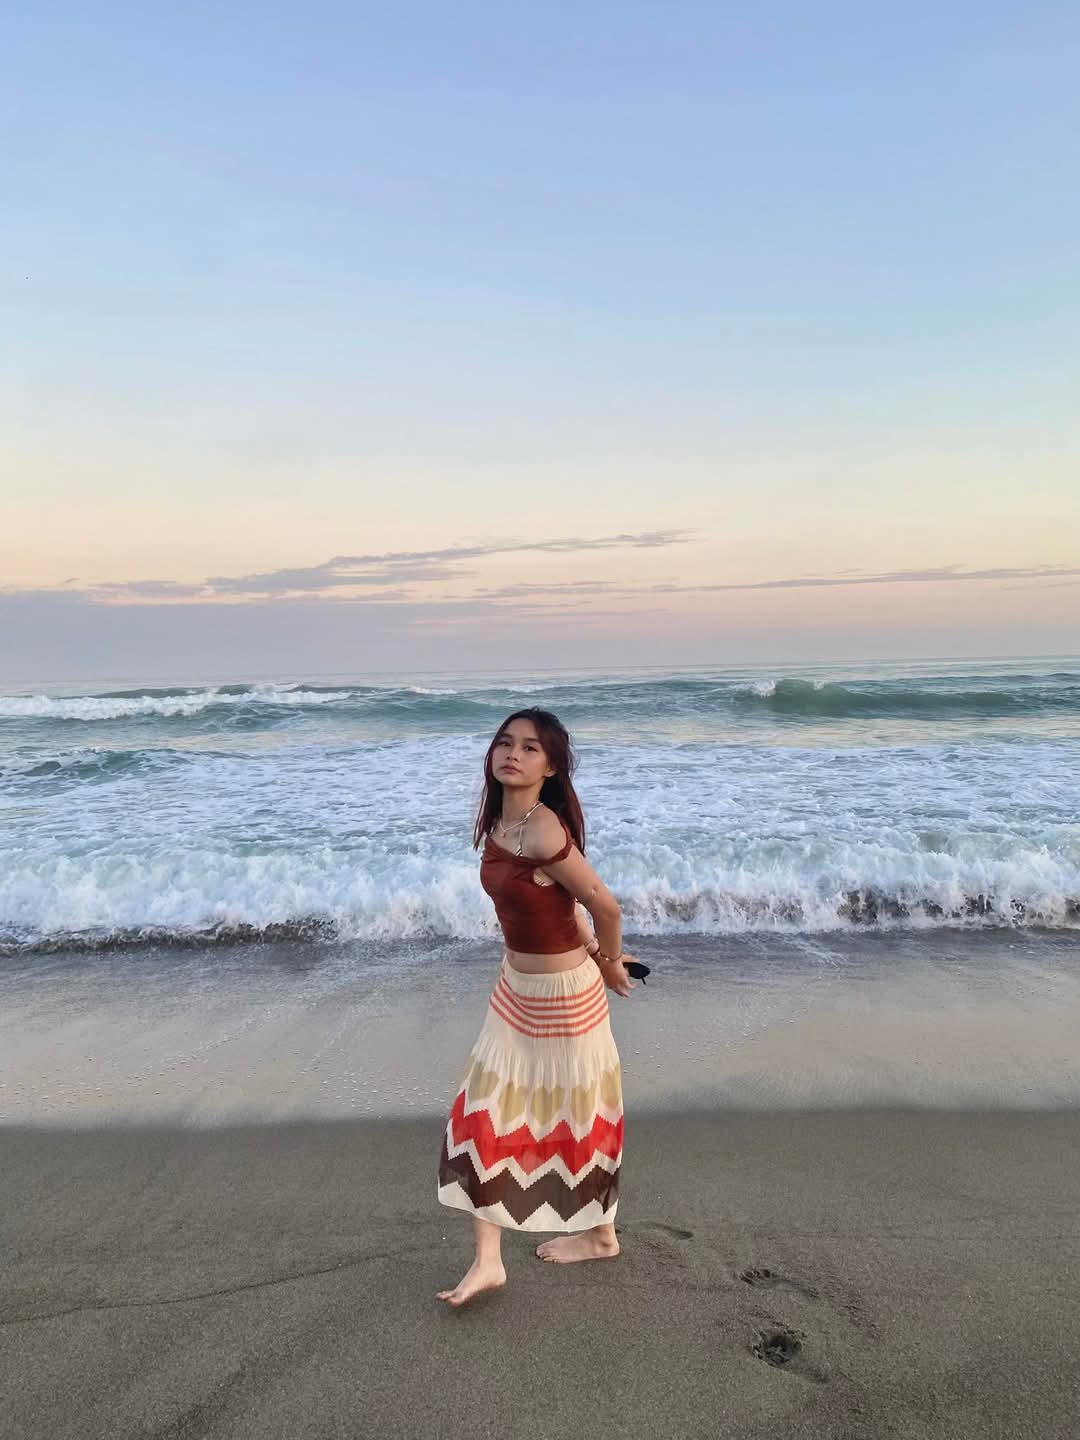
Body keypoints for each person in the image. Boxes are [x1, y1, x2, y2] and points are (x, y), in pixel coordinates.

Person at [436, 706, 639, 1308]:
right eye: (505, 743)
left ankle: (600, 1236)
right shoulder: (500, 824)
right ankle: (488, 1262)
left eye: (530, 748)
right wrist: (595, 952)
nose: (513, 754)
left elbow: (605, 906)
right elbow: (561, 908)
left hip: (565, 1000)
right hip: (514, 991)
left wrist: (609, 962)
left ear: (550, 767)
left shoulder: (544, 830)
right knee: (484, 1116)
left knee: (578, 1117)